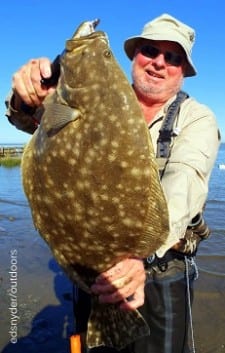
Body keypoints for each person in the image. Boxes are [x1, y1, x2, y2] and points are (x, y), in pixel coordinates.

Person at [5, 13, 220, 353]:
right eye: (150, 50)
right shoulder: (92, 98)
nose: (159, 63)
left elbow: (186, 181)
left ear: (183, 70)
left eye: (173, 57)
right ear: (134, 56)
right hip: (93, 270)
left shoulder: (198, 118)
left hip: (161, 269)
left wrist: (139, 257)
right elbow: (33, 122)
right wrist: (26, 97)